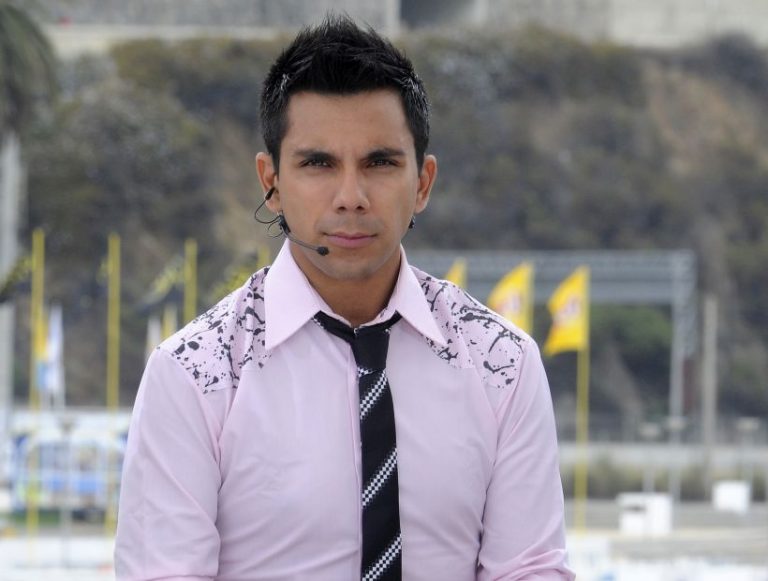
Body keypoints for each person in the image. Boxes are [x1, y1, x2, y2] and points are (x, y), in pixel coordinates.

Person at [115, 15, 574, 581]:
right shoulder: (194, 373)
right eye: (318, 163)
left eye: (380, 163)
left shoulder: (502, 362)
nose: (351, 196)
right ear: (271, 183)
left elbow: (529, 569)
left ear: (423, 182)